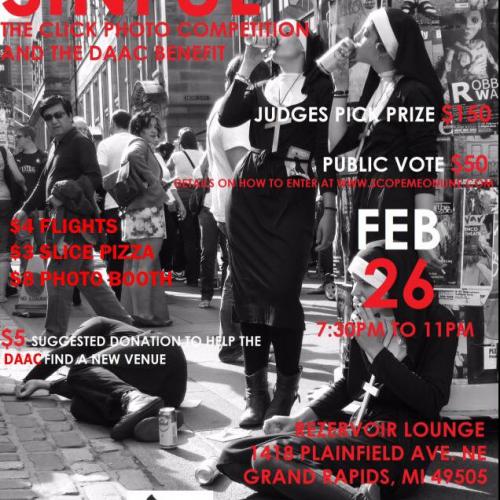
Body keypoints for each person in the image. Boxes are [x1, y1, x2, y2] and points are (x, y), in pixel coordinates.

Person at [216, 245, 458, 500]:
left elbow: (432, 400)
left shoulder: (437, 321)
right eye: (354, 282)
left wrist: (376, 351)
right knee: (233, 456)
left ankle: (349, 493)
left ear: (394, 285)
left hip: (401, 442)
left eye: (365, 283)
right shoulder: (364, 318)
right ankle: (348, 491)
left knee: (269, 458)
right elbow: (349, 383)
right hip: (361, 429)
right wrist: (300, 420)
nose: (355, 292)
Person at [219, 20, 337, 427]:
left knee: (284, 292)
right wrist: (247, 65)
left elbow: (324, 146)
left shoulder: (321, 86)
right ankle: (256, 392)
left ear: (302, 43)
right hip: (250, 189)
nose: (272, 37)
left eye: (282, 32)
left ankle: (286, 387)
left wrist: (331, 205)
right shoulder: (259, 83)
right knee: (249, 297)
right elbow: (230, 117)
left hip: (294, 191)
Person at [328, 8, 444, 268]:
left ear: (381, 48)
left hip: (394, 202)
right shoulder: (379, 89)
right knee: (370, 290)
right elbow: (336, 144)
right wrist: (340, 86)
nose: (357, 37)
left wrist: (425, 233)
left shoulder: (414, 93)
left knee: (392, 290)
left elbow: (423, 165)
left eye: (366, 33)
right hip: (370, 197)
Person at [12, 95, 132, 337]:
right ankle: (126, 327)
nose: (54, 120)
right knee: (87, 279)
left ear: (68, 115)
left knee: (57, 274)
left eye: (59, 115)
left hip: (73, 223)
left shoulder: (80, 141)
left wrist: (64, 192)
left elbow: (94, 178)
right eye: (48, 117)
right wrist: (25, 209)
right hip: (65, 222)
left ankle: (53, 333)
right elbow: (44, 183)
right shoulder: (57, 144)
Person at [16, 316, 187, 441]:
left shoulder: (98, 323)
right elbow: (91, 383)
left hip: (161, 349)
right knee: (79, 406)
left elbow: (62, 353)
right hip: (169, 396)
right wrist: (42, 384)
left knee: (80, 368)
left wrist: (25, 382)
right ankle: (154, 420)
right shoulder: (104, 368)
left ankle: (137, 400)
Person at [207, 55, 270, 363]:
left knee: (238, 275)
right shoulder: (235, 116)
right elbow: (242, 168)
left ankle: (237, 343)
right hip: (241, 206)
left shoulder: (221, 108)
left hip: (229, 205)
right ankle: (233, 344)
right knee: (241, 278)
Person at [120, 110, 172, 327]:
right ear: (139, 127)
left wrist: (156, 184)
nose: (154, 130)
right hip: (147, 212)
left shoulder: (137, 144)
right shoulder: (139, 144)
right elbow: (134, 158)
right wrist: (155, 183)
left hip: (137, 212)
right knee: (144, 264)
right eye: (149, 125)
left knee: (138, 264)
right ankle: (144, 315)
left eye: (156, 127)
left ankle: (139, 312)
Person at [97, 110, 134, 299]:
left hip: (113, 204)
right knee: (135, 250)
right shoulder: (137, 141)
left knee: (115, 250)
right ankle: (134, 295)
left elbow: (102, 177)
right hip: (137, 204)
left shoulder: (105, 144)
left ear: (112, 123)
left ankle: (117, 293)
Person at [166, 128, 204, 286]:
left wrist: (177, 149)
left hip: (182, 196)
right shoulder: (202, 154)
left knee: (187, 236)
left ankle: (191, 277)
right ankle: (196, 273)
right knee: (198, 236)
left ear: (181, 142)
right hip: (199, 195)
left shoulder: (176, 155)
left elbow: (167, 170)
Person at [0, 144, 26, 303]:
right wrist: (24, 188)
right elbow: (18, 177)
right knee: (3, 251)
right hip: (4, 201)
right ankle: (1, 294)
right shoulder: (3, 150)